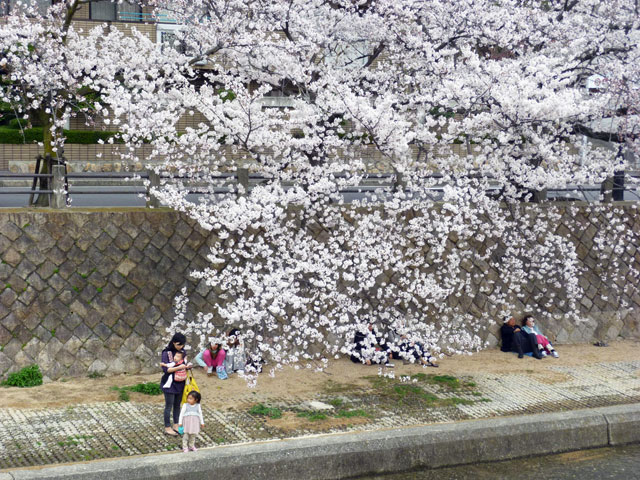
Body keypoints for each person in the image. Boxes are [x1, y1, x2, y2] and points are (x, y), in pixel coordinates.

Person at [161, 332, 190, 436]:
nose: (180, 347)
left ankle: (176, 424)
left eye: (182, 345)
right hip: (169, 382)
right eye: (178, 344)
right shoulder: (166, 353)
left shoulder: (183, 352)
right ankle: (167, 427)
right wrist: (179, 367)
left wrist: (187, 367)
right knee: (169, 406)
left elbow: (184, 363)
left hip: (180, 381)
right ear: (173, 342)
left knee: (177, 405)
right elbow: (166, 369)